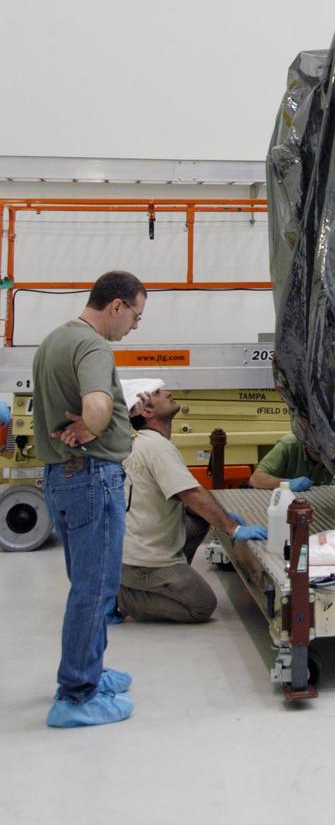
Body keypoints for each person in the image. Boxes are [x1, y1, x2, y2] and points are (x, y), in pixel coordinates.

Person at [32, 269, 147, 728]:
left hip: (63, 477)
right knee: (96, 589)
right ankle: (77, 695)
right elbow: (97, 404)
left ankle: (90, 671)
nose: (134, 327)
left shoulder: (54, 340)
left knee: (89, 583)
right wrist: (92, 427)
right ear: (116, 306)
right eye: (135, 316)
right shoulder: (94, 346)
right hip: (91, 477)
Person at [117, 380, 267, 622]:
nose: (168, 393)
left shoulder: (142, 442)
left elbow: (182, 498)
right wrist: (233, 528)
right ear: (147, 411)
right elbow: (191, 494)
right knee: (202, 606)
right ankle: (121, 599)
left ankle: (168, 581)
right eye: (158, 393)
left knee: (197, 521)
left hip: (132, 551)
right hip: (143, 561)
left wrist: (219, 517)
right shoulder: (158, 448)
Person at [249, 428, 335, 491]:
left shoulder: (333, 450)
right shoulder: (288, 445)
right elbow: (256, 479)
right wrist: (287, 483)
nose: (323, 457)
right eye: (318, 451)